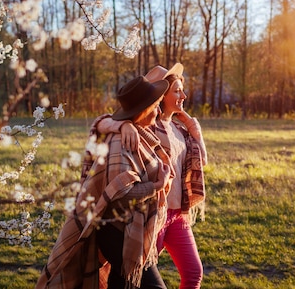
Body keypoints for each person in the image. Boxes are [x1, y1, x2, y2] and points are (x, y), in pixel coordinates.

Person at [35, 75, 173, 289]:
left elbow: (102, 122)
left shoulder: (137, 132)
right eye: (156, 106)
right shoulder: (122, 142)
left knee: (121, 284)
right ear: (144, 110)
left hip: (125, 230)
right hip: (120, 234)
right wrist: (156, 186)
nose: (159, 111)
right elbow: (121, 196)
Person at [93, 63, 207, 289]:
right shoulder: (144, 127)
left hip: (176, 214)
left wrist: (196, 133)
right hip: (151, 216)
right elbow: (102, 122)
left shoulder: (179, 128)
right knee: (129, 276)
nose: (183, 95)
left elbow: (200, 162)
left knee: (193, 273)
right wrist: (123, 126)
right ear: (161, 97)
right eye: (177, 90)